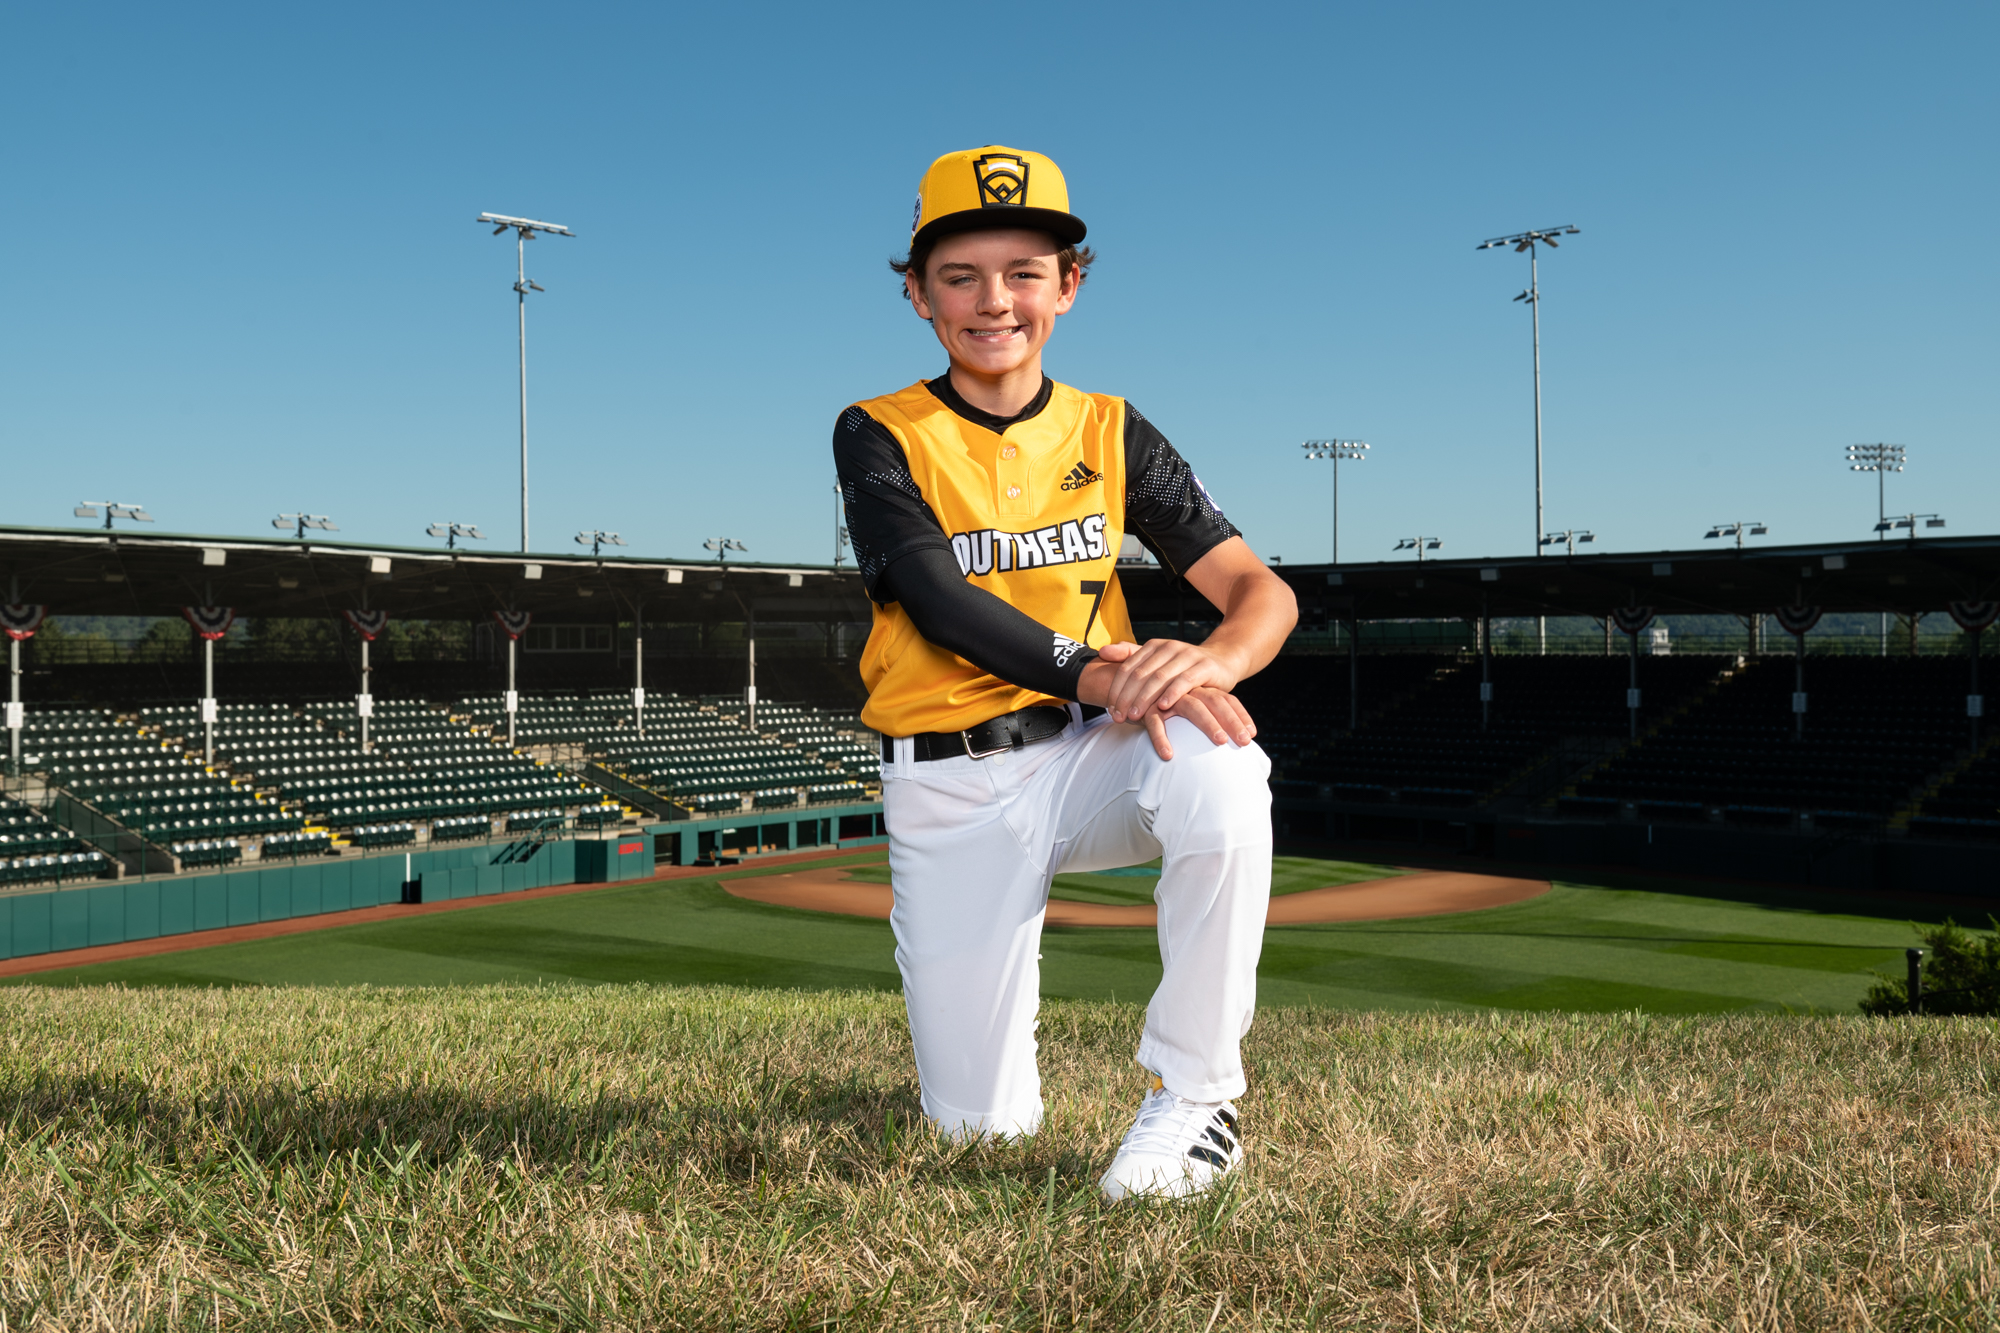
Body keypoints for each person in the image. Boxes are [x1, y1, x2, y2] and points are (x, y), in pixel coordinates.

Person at [832, 145, 1297, 1201]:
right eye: (959, 275)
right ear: (916, 293)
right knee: (979, 1136)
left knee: (1222, 762)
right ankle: (989, 1098)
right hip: (946, 782)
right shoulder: (879, 431)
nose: (993, 301)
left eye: (1024, 272)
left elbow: (1262, 595)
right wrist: (1100, 671)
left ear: (1068, 285)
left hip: (1094, 759)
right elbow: (940, 604)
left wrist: (1199, 665)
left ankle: (1192, 1099)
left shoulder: (1111, 429)